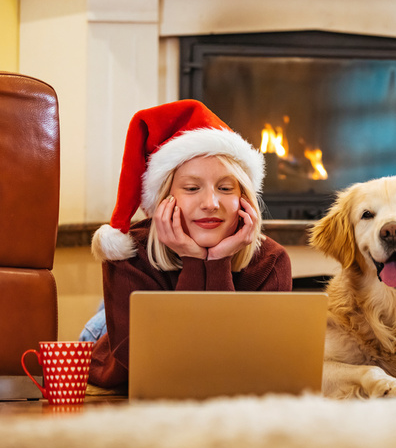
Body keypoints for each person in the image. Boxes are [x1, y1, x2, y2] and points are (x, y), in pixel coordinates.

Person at [87, 100, 293, 388]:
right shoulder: (129, 255)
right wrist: (194, 260)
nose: (210, 203)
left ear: (244, 199)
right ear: (164, 199)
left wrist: (217, 261)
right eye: (192, 188)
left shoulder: (271, 260)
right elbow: (161, 370)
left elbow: (242, 366)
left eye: (225, 188)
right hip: (109, 345)